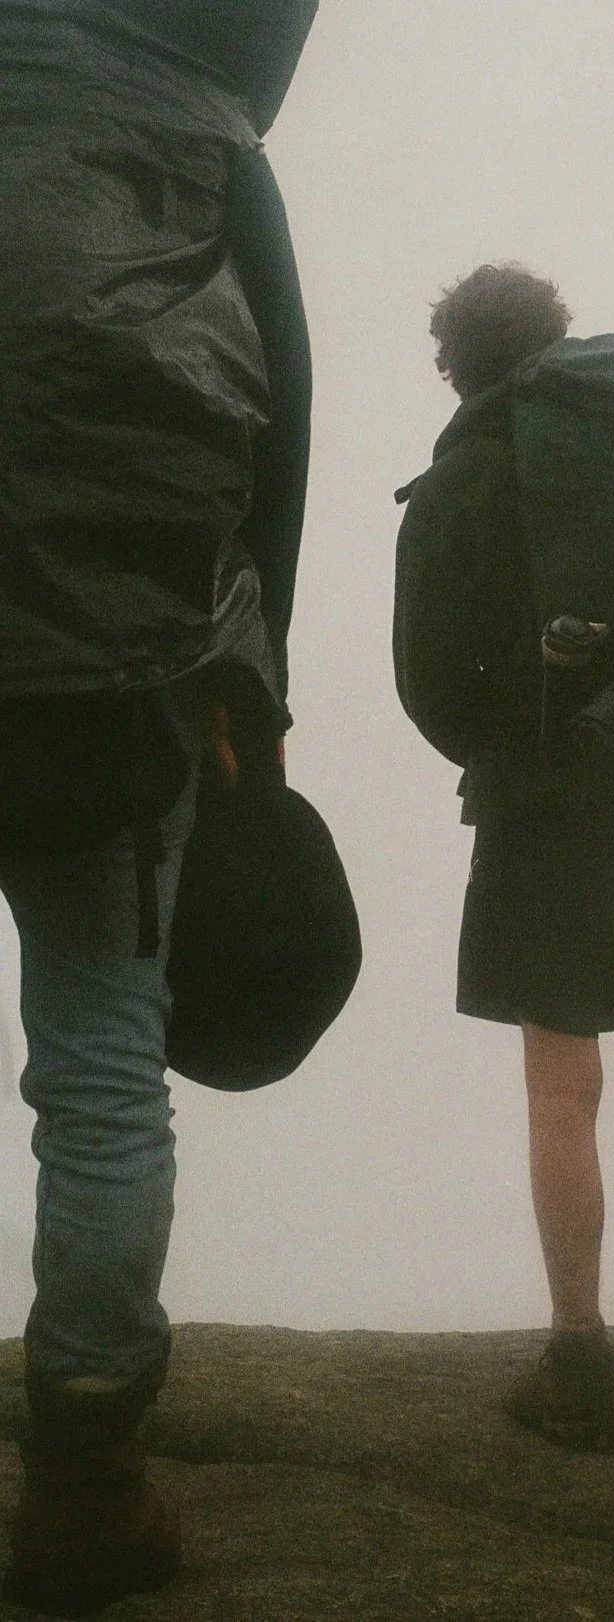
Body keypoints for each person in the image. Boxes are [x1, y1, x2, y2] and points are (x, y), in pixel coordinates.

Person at [0, 1, 317, 1611]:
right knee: (104, 1069)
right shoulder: (203, 130)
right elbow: (281, 432)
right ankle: (82, 1481)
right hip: (123, 683)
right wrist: (252, 690)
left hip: (115, 669)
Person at [394, 263, 614, 1459]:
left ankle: (578, 1365)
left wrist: (507, 733)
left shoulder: (467, 470)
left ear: (457, 362)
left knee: (562, 1088)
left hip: (541, 797)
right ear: (555, 337)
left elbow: (430, 682)